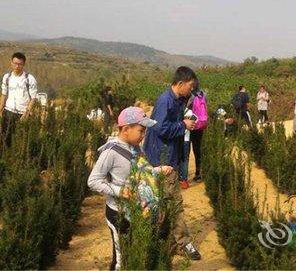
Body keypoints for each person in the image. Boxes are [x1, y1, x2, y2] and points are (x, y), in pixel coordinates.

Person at [88, 106, 158, 270]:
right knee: (121, 260)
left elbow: (142, 171)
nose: (143, 135)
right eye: (141, 131)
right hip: (117, 213)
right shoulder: (111, 152)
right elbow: (93, 181)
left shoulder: (137, 148)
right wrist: (119, 191)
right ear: (126, 129)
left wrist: (158, 171)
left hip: (135, 211)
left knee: (134, 252)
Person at [144, 66, 201, 260]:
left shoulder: (175, 100)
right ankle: (183, 243)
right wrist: (182, 125)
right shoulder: (165, 101)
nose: (191, 91)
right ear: (180, 83)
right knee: (174, 203)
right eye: (190, 87)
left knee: (162, 203)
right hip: (163, 159)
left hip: (167, 156)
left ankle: (162, 239)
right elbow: (161, 129)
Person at [0, 52, 37, 148]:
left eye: (20, 64)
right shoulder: (7, 77)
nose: (17, 66)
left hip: (22, 114)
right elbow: (3, 95)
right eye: (15, 63)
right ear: (11, 63)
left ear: (23, 64)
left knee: (21, 141)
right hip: (8, 112)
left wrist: (27, 113)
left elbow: (33, 98)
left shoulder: (29, 78)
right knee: (4, 140)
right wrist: (0, 110)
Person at [190, 82, 208, 182]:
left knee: (187, 150)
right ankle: (199, 173)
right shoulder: (203, 95)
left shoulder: (190, 96)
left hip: (191, 126)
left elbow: (187, 112)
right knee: (198, 151)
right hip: (201, 126)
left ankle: (182, 177)